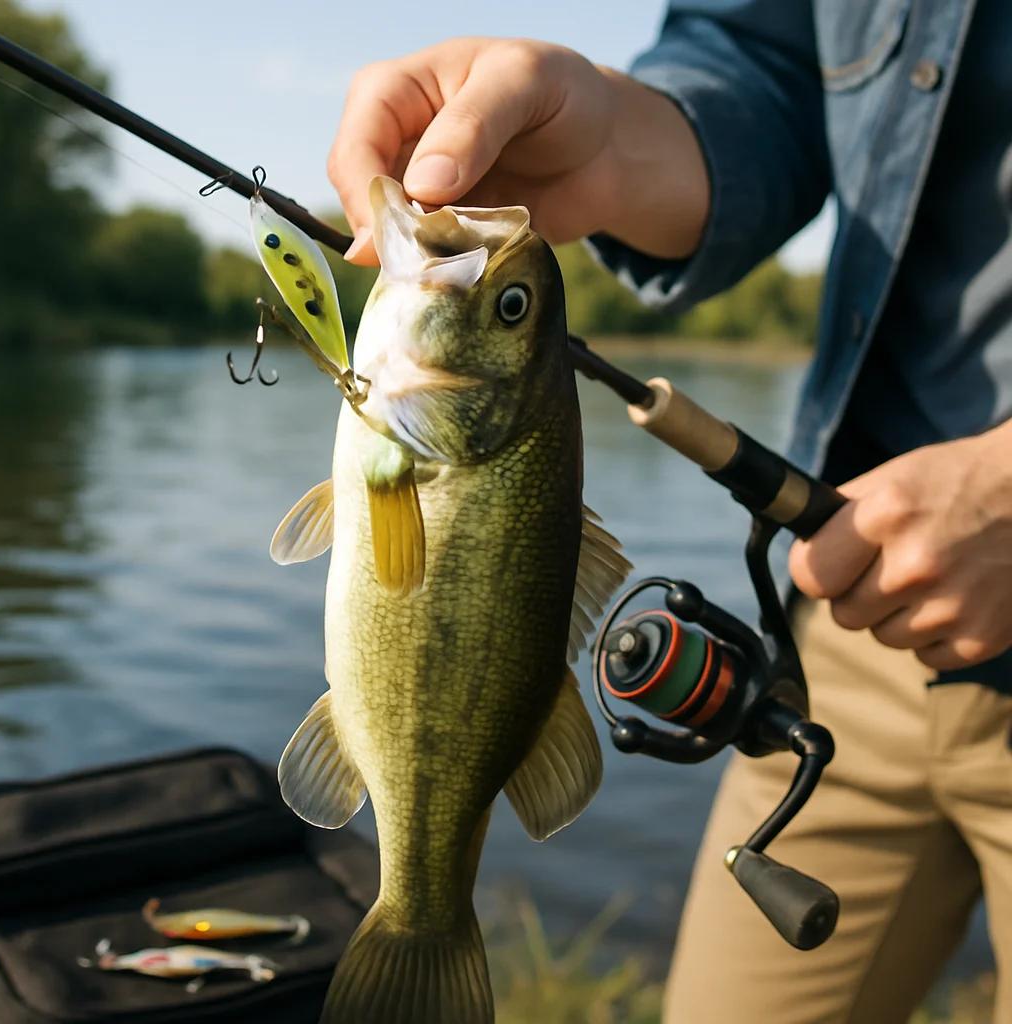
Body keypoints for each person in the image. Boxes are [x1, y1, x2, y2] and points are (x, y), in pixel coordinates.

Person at [328, 3, 1012, 1021]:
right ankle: (423, 911)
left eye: (508, 308)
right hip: (854, 613)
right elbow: (764, 71)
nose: (492, 290)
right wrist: (609, 132)